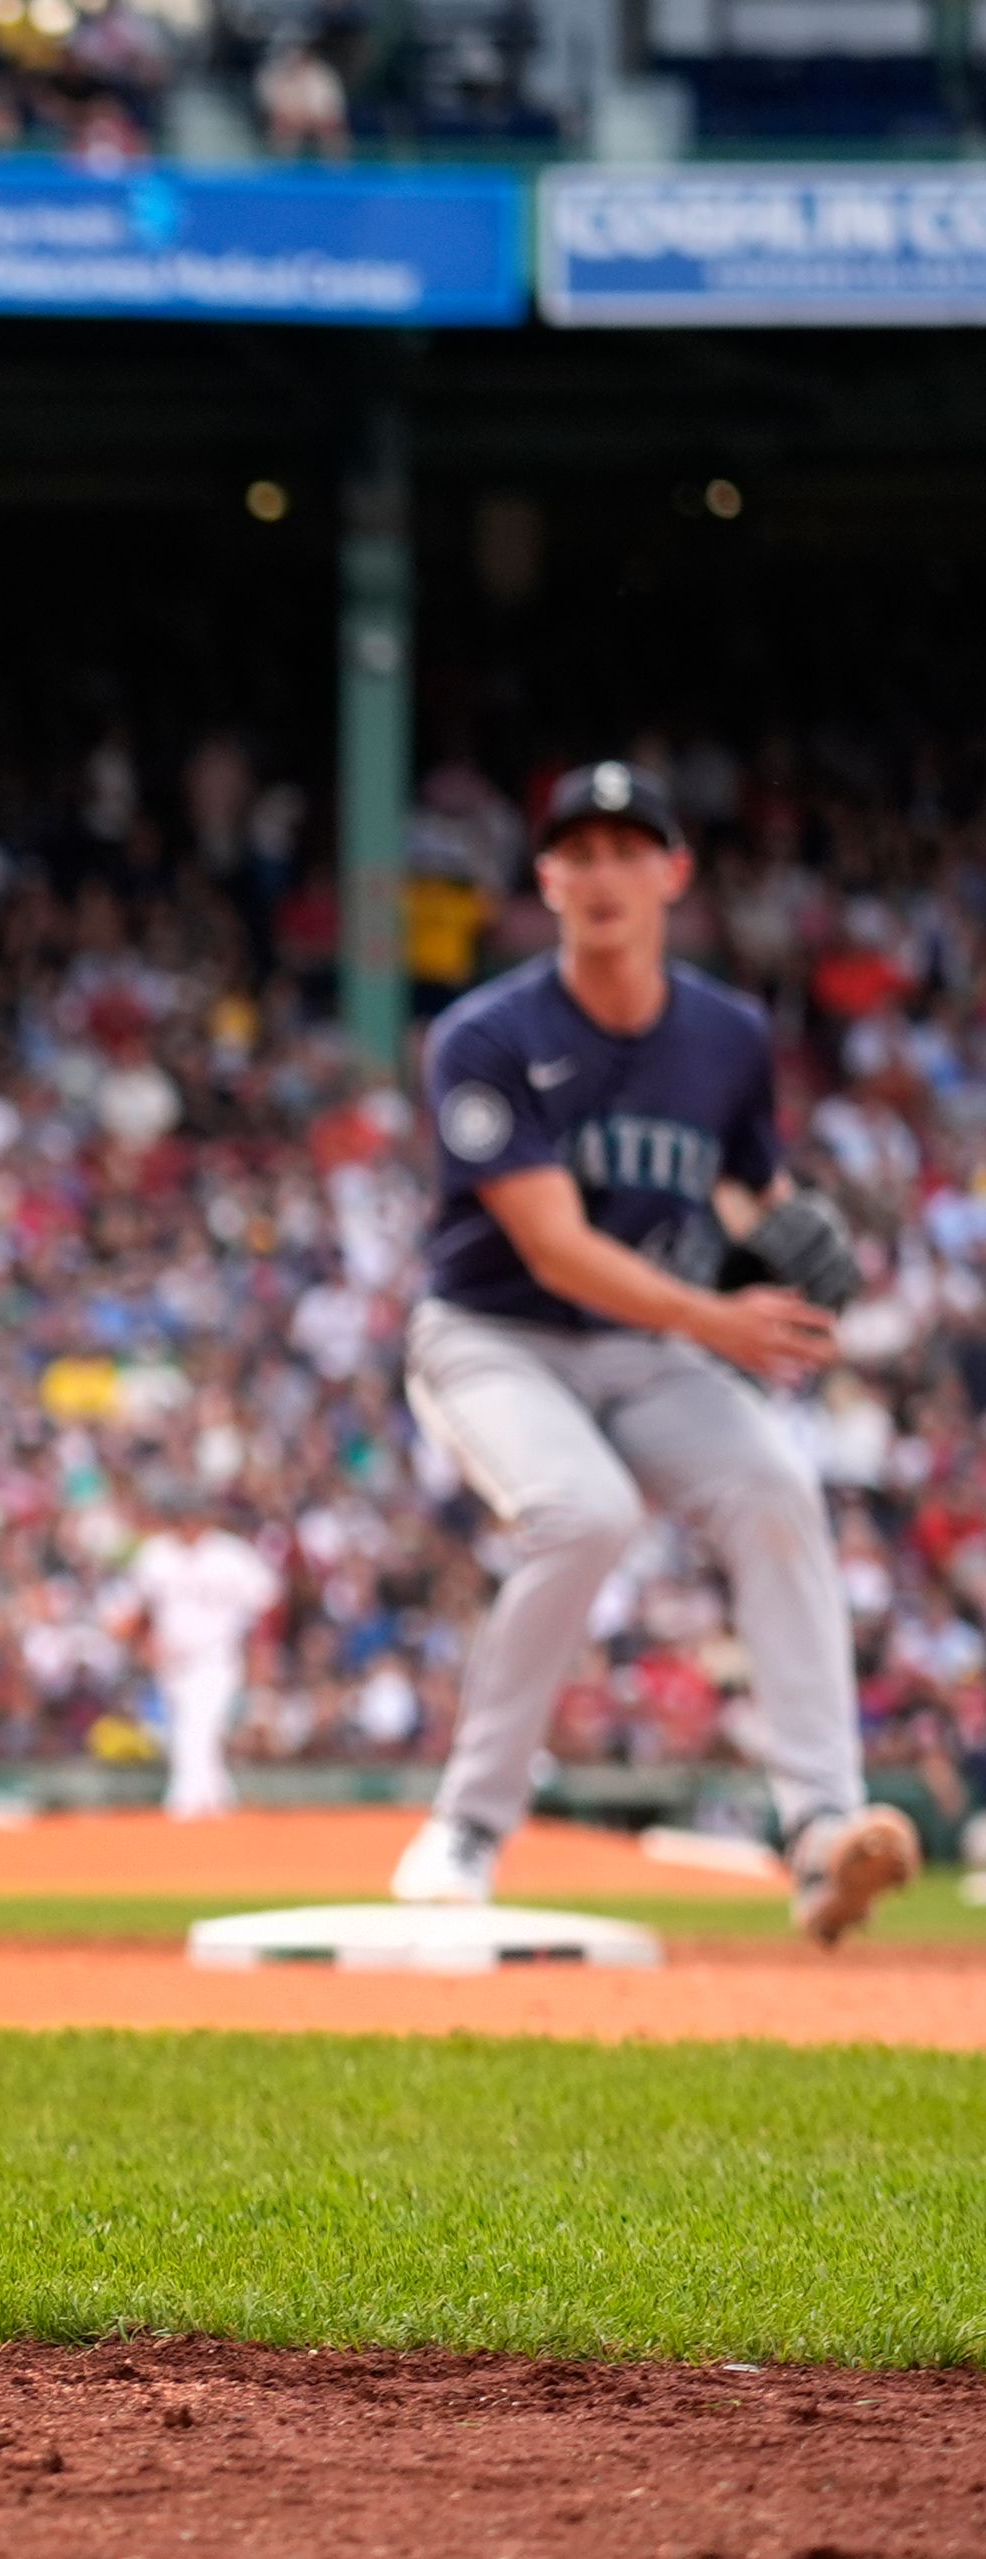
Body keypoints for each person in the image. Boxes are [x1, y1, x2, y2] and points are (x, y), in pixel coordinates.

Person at [392, 760, 919, 1942]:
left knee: (779, 1486)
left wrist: (782, 1232)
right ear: (546, 879)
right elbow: (554, 1246)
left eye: (629, 850)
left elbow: (743, 1180)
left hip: (647, 1346)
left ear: (675, 873)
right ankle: (468, 1828)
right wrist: (721, 1319)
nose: (602, 873)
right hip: (497, 1338)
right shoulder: (486, 1034)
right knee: (581, 1512)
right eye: (578, 853)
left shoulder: (727, 1033)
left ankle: (824, 1830)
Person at [120, 1488, 279, 1821]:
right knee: (184, 1734)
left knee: (198, 1730)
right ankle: (219, 1805)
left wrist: (261, 1655)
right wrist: (143, 1644)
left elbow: (269, 1604)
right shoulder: (157, 1553)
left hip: (216, 1657)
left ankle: (183, 1808)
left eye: (190, 1515)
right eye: (177, 1517)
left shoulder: (231, 1555)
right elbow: (139, 1609)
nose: (184, 1523)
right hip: (172, 1662)